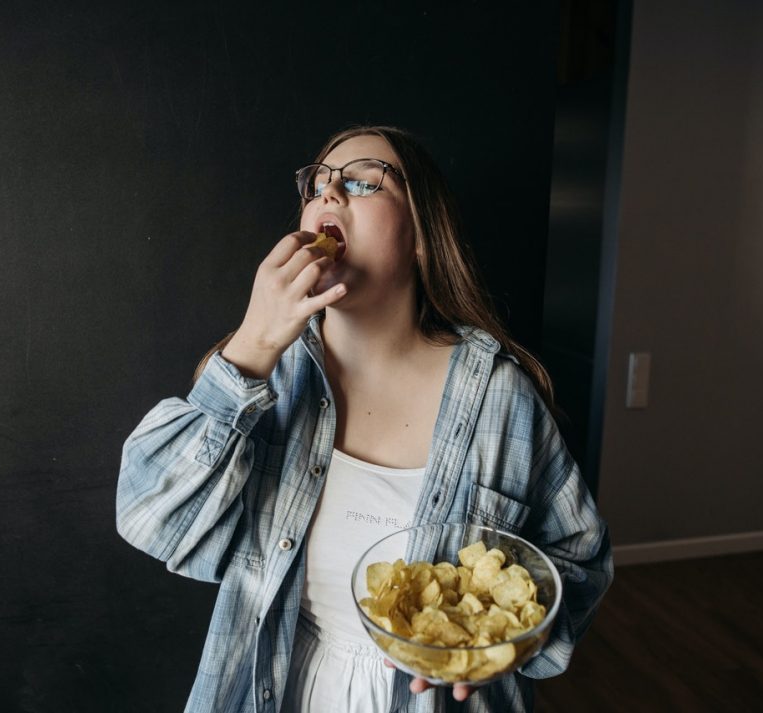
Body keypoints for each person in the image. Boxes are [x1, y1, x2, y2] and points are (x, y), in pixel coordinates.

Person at [116, 126, 613, 712]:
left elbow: (579, 559)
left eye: (361, 181)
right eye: (317, 184)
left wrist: (498, 645)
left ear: (422, 237)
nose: (329, 195)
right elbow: (148, 518)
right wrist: (252, 343)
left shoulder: (500, 397)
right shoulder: (263, 375)